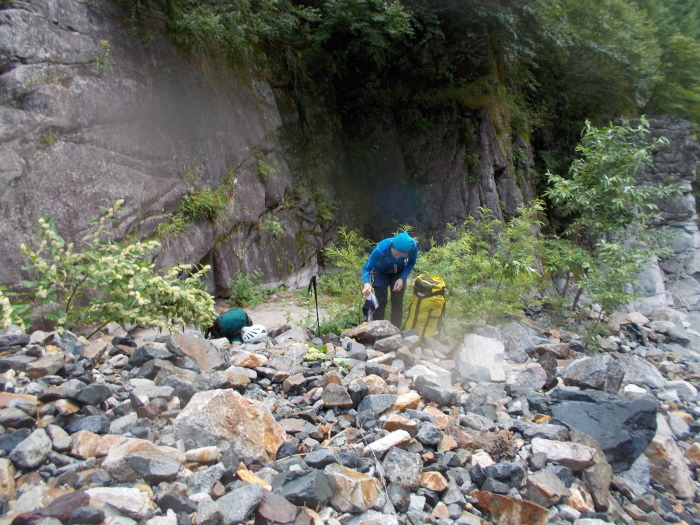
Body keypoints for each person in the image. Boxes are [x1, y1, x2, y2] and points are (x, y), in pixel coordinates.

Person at [361, 231, 419, 327]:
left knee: (397, 301)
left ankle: (395, 330)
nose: (398, 257)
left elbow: (411, 262)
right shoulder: (382, 248)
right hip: (380, 272)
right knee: (380, 301)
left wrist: (402, 278)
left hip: (399, 272)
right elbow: (366, 268)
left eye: (402, 255)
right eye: (396, 254)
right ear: (392, 247)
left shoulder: (412, 247)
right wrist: (366, 283)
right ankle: (377, 330)